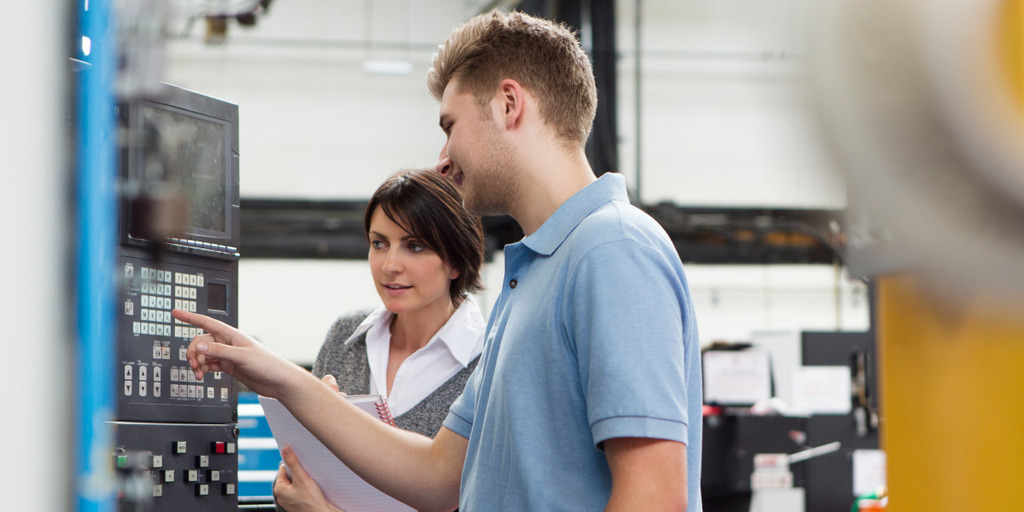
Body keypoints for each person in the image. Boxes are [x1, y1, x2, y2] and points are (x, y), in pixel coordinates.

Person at [174, 9, 702, 511]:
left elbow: (654, 497)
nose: (443, 157)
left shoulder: (611, 249)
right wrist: (278, 376)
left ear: (508, 105)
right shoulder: (534, 275)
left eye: (450, 125)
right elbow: (436, 476)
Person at [272, 168, 487, 512]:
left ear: (456, 263)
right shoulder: (346, 338)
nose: (389, 265)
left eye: (414, 246)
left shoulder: (489, 361)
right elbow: (292, 487)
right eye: (379, 243)